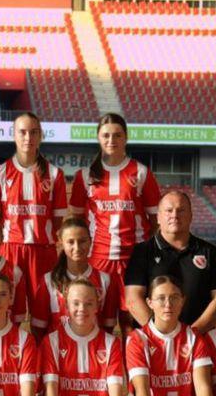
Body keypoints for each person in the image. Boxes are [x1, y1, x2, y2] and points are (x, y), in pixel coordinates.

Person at [69, 113, 160, 326]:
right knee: (100, 322)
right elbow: (77, 221)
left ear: (126, 137)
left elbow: (156, 220)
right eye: (106, 135)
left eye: (117, 135)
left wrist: (147, 253)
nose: (112, 140)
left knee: (132, 323)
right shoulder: (85, 176)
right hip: (98, 259)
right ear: (98, 138)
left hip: (133, 259)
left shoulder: (141, 172)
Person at [0, 112, 67, 319]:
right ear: (14, 135)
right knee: (8, 313)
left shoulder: (55, 175)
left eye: (33, 132)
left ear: (40, 136)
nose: (28, 138)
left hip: (43, 252)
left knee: (44, 316)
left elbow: (58, 221)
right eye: (22, 132)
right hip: (10, 251)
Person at [124, 191, 216, 331]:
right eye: (169, 210)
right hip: (152, 340)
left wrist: (192, 334)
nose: (174, 215)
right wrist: (159, 334)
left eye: (181, 210)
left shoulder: (210, 252)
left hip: (199, 339)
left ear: (191, 216)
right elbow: (133, 299)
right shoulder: (142, 252)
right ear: (158, 217)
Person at [126, 276, 216, 396]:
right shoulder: (137, 339)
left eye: (174, 297)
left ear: (182, 301)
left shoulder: (193, 337)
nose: (168, 304)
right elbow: (142, 389)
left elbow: (202, 385)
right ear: (150, 303)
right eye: (161, 298)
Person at [40, 279, 128, 396]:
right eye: (76, 303)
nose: (82, 309)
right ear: (66, 307)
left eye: (88, 303)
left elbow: (115, 386)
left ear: (97, 306)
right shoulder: (52, 341)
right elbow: (51, 385)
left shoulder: (111, 342)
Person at [30, 217, 119, 340]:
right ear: (61, 243)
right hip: (58, 350)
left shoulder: (106, 280)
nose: (77, 247)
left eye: (82, 241)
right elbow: (38, 329)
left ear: (90, 241)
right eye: (70, 242)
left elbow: (108, 327)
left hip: (93, 349)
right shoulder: (49, 280)